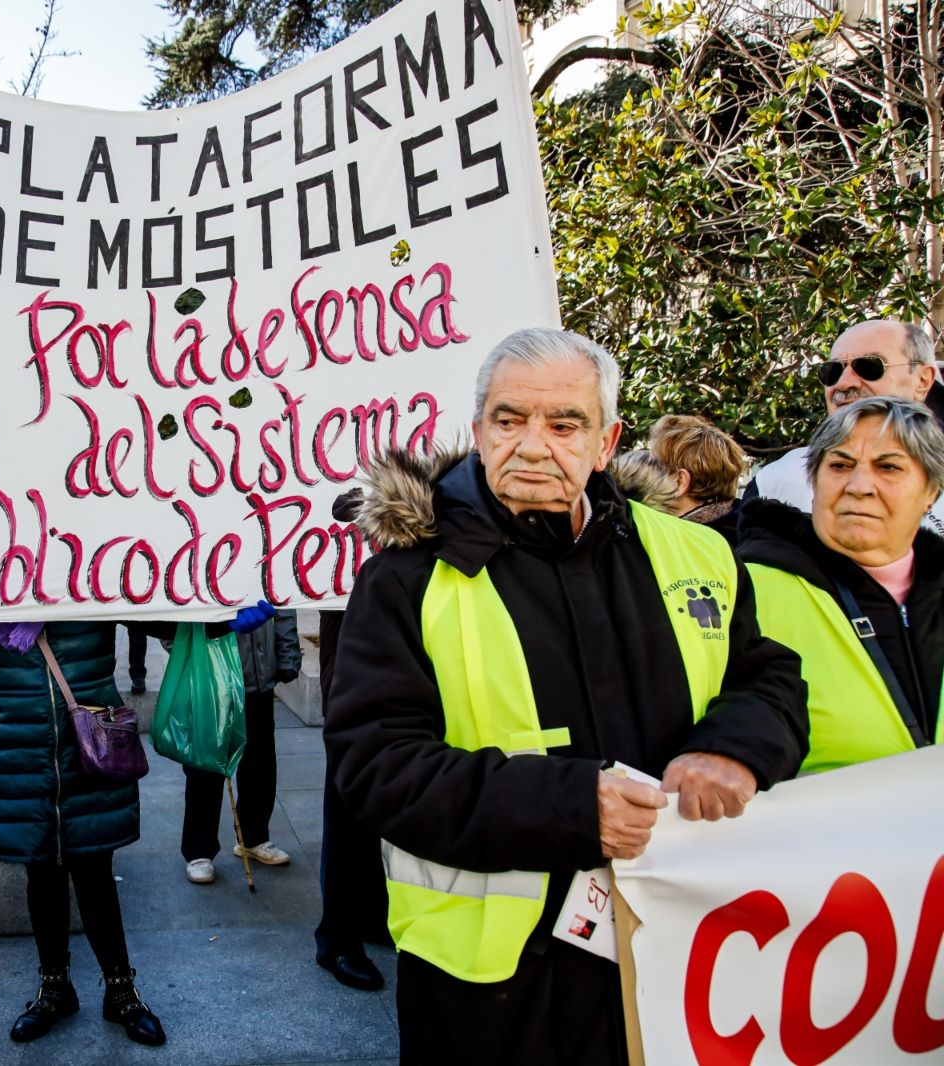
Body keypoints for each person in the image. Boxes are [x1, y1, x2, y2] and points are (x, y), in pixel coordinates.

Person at [326, 328, 809, 1065]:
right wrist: (573, 806)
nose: (531, 444)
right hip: (491, 987)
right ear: (480, 427)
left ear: (607, 439)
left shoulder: (696, 551)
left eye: (563, 424)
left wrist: (733, 748)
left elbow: (767, 676)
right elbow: (375, 764)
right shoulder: (406, 578)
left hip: (678, 947)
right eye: (509, 419)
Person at [0, 599, 273, 1047]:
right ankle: (54, 988)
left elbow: (159, 609)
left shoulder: (84, 565)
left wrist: (218, 618)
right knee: (40, 868)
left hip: (90, 743)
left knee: (95, 868)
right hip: (14, 742)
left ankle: (121, 990)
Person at [739, 396, 943, 772]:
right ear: (813, 482)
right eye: (839, 465)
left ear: (931, 491)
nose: (859, 486)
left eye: (888, 467)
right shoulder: (743, 588)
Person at [750, 319, 944, 535]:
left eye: (869, 366)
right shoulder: (779, 478)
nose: (843, 383)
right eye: (832, 371)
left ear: (922, 380)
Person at [313, 487, 389, 993]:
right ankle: (338, 937)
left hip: (414, 684)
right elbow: (339, 507)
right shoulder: (361, 500)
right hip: (356, 688)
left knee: (391, 812)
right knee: (349, 811)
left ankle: (375, 916)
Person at [181, 608, 300, 883]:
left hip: (258, 677)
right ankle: (199, 850)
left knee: (260, 762)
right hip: (212, 676)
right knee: (205, 767)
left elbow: (282, 603)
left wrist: (288, 652)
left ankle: (254, 836)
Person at [649, 414, 749, 539]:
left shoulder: (686, 542)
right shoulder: (746, 530)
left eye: (652, 466)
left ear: (679, 482)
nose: (645, 473)